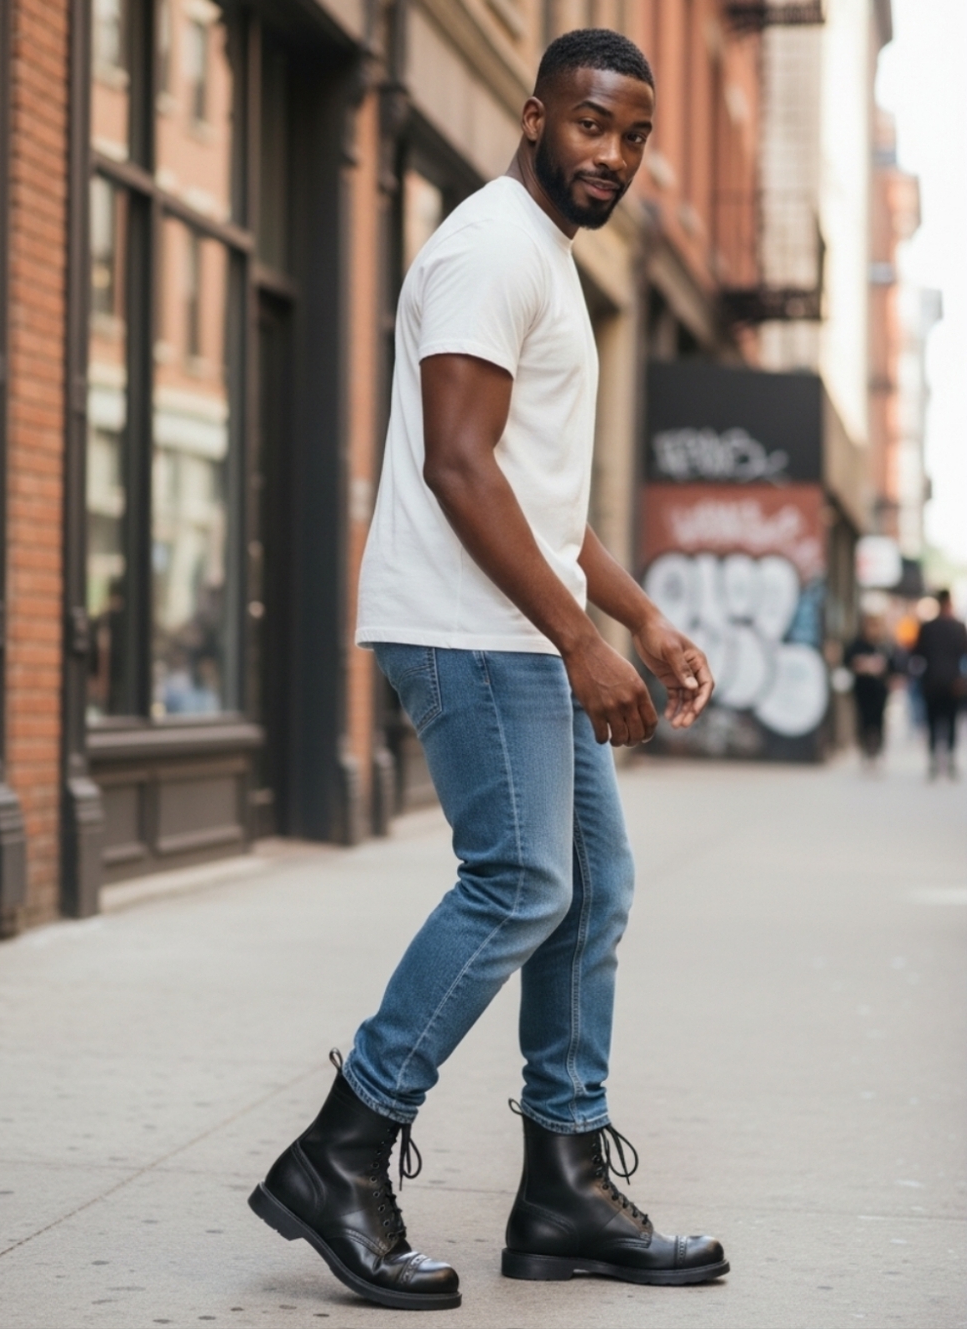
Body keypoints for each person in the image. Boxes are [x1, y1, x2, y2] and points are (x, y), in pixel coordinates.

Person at [249, 29, 728, 1311]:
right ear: (533, 116)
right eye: (589, 125)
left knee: (591, 891)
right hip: (470, 627)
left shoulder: (547, 262)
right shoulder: (486, 249)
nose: (611, 155)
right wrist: (580, 642)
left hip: (520, 623)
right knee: (520, 881)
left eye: (632, 137)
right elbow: (456, 469)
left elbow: (537, 492)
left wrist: (635, 620)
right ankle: (341, 1152)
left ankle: (564, 1186)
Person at [913, 590, 967, 779]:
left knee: (932, 722)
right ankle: (950, 759)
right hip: (954, 682)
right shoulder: (959, 627)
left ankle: (934, 761)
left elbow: (917, 655)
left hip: (931, 682)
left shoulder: (927, 628)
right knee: (951, 722)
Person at [844, 612, 897, 767]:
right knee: (863, 720)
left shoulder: (884, 645)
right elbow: (847, 660)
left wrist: (881, 667)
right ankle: (865, 750)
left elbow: (893, 666)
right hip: (862, 688)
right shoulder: (857, 644)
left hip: (879, 689)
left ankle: (877, 750)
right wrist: (861, 664)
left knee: (878, 720)